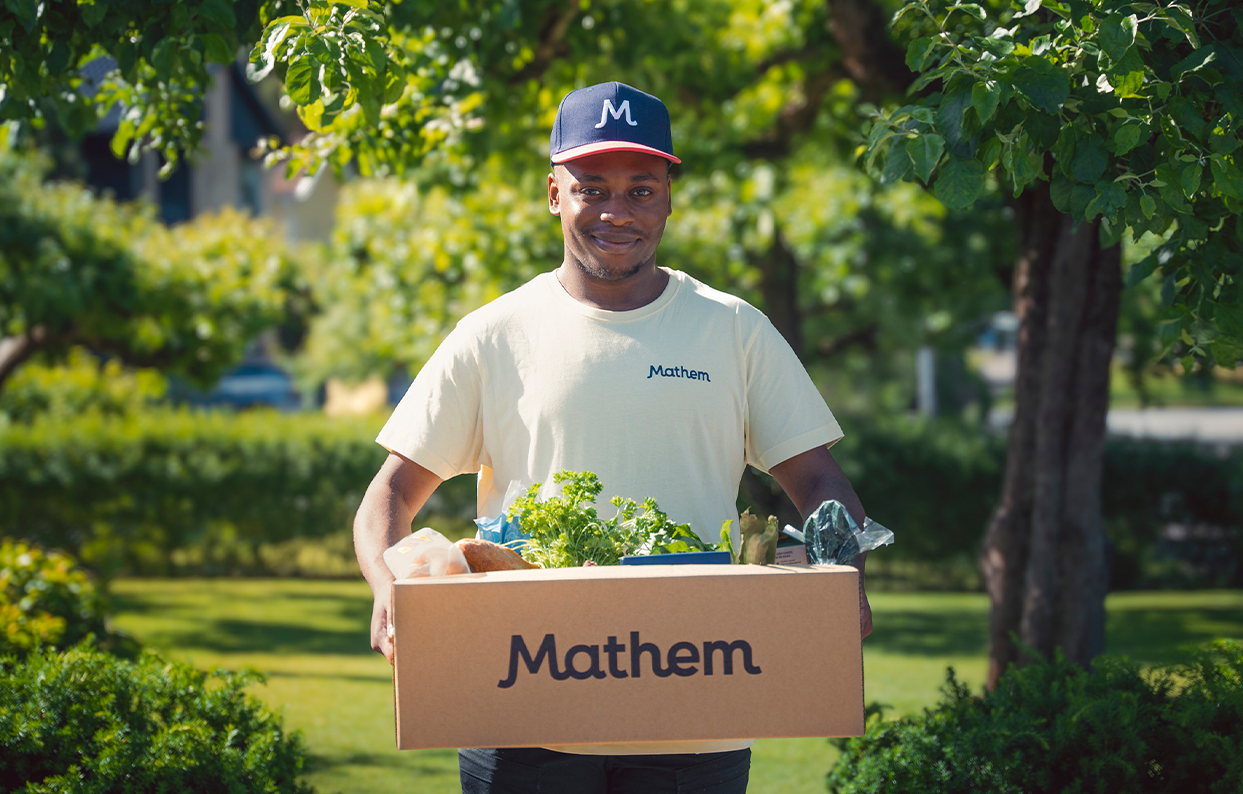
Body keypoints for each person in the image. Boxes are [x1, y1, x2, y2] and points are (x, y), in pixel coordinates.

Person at [353, 81, 872, 794]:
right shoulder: (492, 335)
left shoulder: (732, 329)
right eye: (591, 187)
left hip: (697, 704)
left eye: (640, 189)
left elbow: (816, 482)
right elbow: (390, 494)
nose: (615, 212)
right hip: (519, 706)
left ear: (667, 197)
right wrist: (389, 591)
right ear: (552, 194)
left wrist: (844, 576)